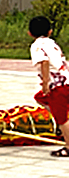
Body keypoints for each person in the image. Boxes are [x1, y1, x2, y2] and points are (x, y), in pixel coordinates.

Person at [30, 15, 69, 157]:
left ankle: (68, 146)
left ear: (30, 33)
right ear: (50, 31)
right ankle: (61, 126)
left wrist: (45, 82)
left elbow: (44, 62)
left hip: (58, 86)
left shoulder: (37, 45)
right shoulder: (52, 43)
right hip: (66, 82)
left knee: (61, 117)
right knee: (40, 98)